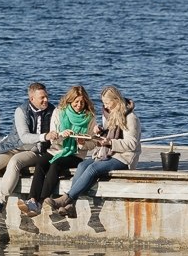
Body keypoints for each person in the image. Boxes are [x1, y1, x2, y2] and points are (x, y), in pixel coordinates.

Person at [0, 82, 54, 224]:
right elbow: (24, 136)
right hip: (12, 145)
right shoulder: (22, 111)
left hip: (33, 150)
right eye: (42, 98)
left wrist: (47, 139)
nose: (46, 100)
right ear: (32, 99)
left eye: (46, 97)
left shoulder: (52, 111)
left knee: (14, 163)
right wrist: (45, 136)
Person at [46, 85, 142, 216]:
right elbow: (108, 135)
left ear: (116, 100)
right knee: (82, 165)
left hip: (124, 157)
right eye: (104, 103)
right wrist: (100, 133)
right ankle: (71, 206)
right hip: (108, 153)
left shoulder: (131, 118)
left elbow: (132, 144)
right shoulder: (110, 115)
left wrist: (109, 142)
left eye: (107, 103)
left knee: (93, 169)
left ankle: (67, 199)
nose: (105, 106)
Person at [17, 85, 97, 217]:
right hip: (56, 149)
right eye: (76, 102)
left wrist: (82, 143)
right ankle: (32, 199)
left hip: (75, 154)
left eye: (82, 102)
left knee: (56, 165)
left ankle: (41, 202)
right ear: (70, 101)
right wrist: (61, 136)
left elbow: (93, 143)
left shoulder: (89, 117)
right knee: (41, 164)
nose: (79, 105)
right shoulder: (59, 112)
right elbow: (53, 138)